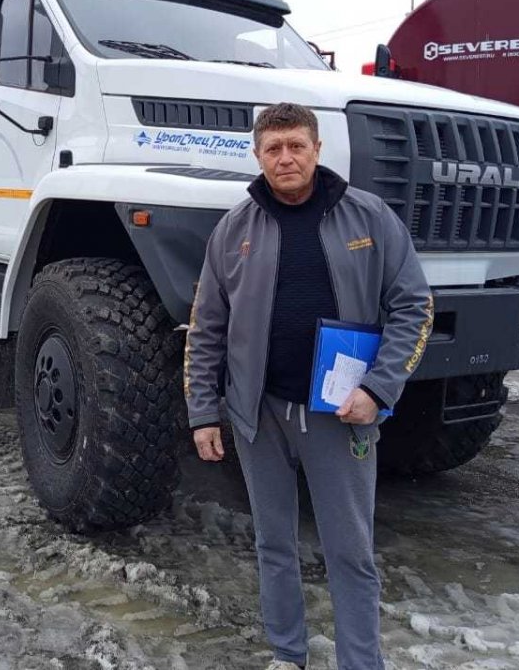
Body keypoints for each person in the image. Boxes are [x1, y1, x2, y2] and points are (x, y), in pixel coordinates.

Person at [184, 102, 433, 670]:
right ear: (258, 155)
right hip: (259, 414)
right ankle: (286, 654)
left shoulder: (368, 218)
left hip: (340, 414)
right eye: (273, 148)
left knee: (350, 552)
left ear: (318, 150)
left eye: (297, 145)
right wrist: (203, 412)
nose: (286, 158)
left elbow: (414, 306)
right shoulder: (234, 229)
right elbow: (207, 326)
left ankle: (360, 663)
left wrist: (378, 389)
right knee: (273, 544)